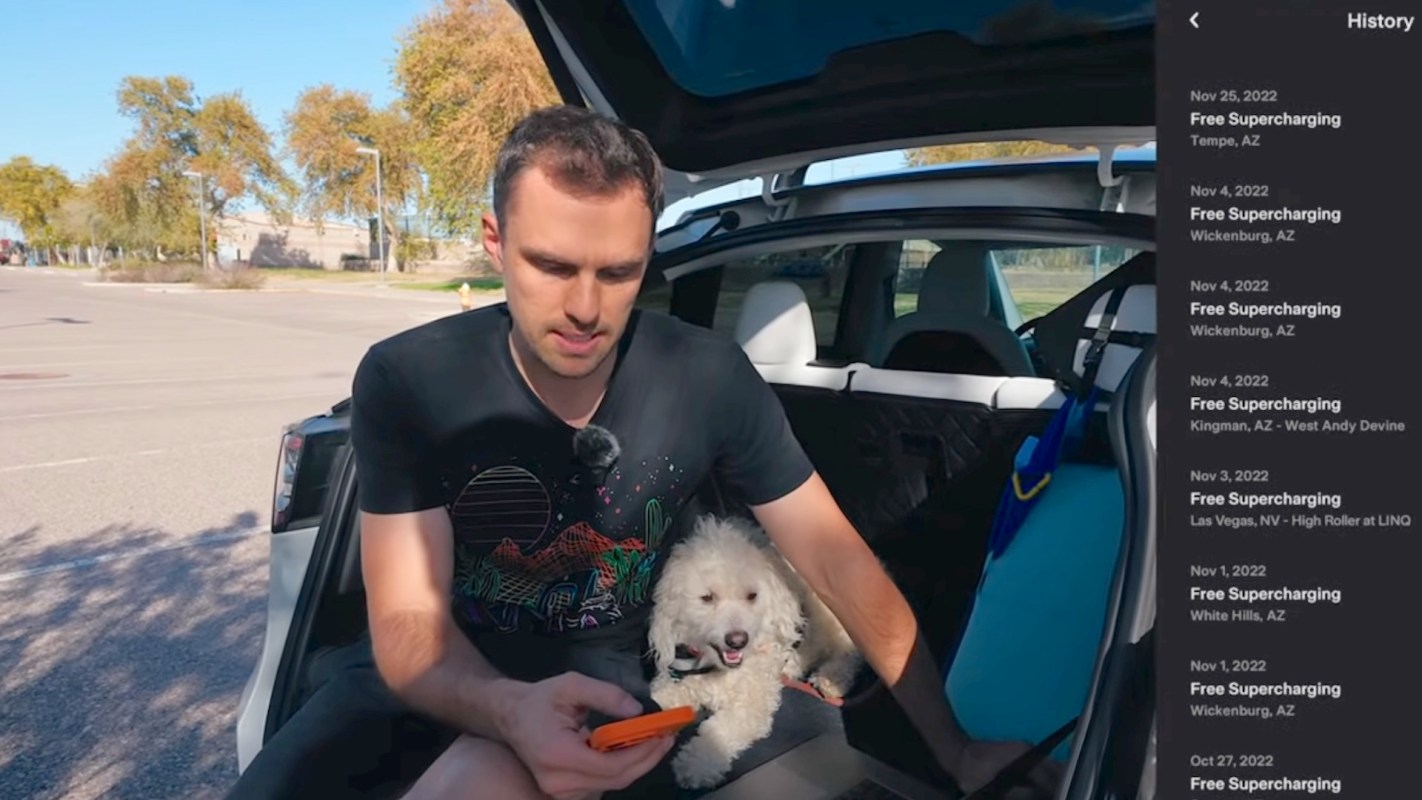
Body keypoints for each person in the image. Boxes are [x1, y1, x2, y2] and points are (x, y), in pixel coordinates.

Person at [307, 105, 1056, 800]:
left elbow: (840, 564)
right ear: (493, 241)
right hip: (437, 682)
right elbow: (407, 620)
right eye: (552, 266)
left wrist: (955, 751)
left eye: (619, 271)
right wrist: (506, 711)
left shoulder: (708, 376)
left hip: (615, 693)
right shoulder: (407, 377)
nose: (585, 309)